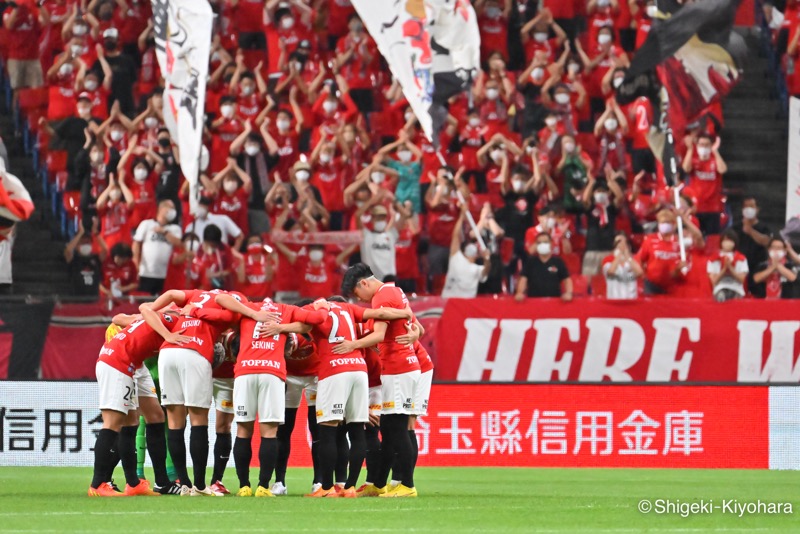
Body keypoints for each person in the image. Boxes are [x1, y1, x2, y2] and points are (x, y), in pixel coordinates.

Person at [263, 295, 414, 498]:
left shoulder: (315, 308)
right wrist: (405, 312)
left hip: (333, 370)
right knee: (357, 431)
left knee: (328, 430)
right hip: (359, 370)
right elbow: (380, 313)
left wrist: (279, 328)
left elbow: (305, 325)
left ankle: (326, 488)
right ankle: (349, 487)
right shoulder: (348, 308)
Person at [213, 293, 326, 497]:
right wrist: (320, 306)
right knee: (269, 432)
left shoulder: (248, 308)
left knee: (243, 430)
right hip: (272, 373)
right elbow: (314, 321)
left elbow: (220, 299)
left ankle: (244, 486)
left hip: (245, 372)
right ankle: (263, 487)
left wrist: (252, 314)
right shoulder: (286, 310)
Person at [139, 289, 249, 496]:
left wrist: (155, 311)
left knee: (175, 421)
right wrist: (252, 313)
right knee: (198, 420)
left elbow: (171, 293)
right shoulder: (230, 309)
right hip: (195, 352)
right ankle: (199, 485)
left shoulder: (196, 295)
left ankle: (184, 484)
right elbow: (232, 315)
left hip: (167, 352)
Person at [340, 264, 423, 498]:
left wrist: (352, 345)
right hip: (400, 366)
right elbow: (419, 328)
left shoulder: (381, 296)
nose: (360, 299)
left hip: (399, 367)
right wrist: (413, 334)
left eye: (357, 294)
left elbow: (378, 334)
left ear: (363, 283)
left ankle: (407, 485)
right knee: (388, 428)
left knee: (397, 429)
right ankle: (378, 484)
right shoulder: (395, 291)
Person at [89, 308, 189, 497]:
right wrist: (168, 334)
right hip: (118, 361)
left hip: (136, 363)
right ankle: (98, 484)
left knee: (152, 416)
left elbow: (139, 315)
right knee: (113, 423)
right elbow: (145, 309)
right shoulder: (172, 319)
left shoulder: (168, 320)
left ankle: (140, 483)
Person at [441, 204, 491, 299]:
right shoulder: (456, 257)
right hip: (449, 300)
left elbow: (485, 271)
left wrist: (487, 259)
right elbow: (455, 236)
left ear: (477, 255)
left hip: (465, 303)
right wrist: (462, 216)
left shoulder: (477, 269)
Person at [681, 133, 727, 235]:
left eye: (707, 145)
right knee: (696, 237)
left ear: (711, 146)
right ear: (697, 145)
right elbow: (686, 169)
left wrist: (715, 151)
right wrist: (690, 149)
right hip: (696, 208)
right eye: (701, 144)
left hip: (712, 208)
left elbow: (723, 169)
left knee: (712, 239)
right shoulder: (694, 161)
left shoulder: (714, 161)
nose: (704, 147)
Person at [132, 200, 181, 295]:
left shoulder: (175, 229)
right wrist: (135, 263)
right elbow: (136, 243)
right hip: (145, 272)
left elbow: (178, 243)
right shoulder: (147, 224)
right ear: (161, 209)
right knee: (144, 299)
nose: (173, 211)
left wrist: (164, 232)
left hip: (164, 274)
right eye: (170, 208)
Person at [515, 233, 573, 300]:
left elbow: (567, 279)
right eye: (539, 243)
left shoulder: (558, 262)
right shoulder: (530, 262)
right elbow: (523, 279)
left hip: (554, 302)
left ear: (551, 243)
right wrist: (519, 293)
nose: (542, 245)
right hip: (533, 302)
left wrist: (569, 293)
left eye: (545, 242)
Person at [733, 196, 771, 297]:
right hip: (739, 266)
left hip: (758, 266)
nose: (748, 209)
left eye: (751, 206)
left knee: (758, 294)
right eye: (746, 206)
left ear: (757, 209)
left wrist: (750, 230)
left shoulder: (764, 227)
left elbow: (766, 242)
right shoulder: (735, 227)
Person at [707, 230, 749, 302]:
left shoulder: (741, 258)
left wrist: (730, 268)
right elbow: (714, 281)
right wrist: (724, 269)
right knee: (721, 297)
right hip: (720, 288)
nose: (727, 243)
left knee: (737, 301)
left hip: (736, 289)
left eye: (730, 240)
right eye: (725, 240)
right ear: (721, 242)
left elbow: (741, 279)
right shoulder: (713, 259)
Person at [601, 233, 643, 300]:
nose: (621, 246)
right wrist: (619, 255)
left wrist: (628, 257)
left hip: (631, 300)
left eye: (623, 243)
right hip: (614, 300)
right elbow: (610, 272)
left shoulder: (633, 260)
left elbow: (640, 273)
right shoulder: (608, 259)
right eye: (618, 243)